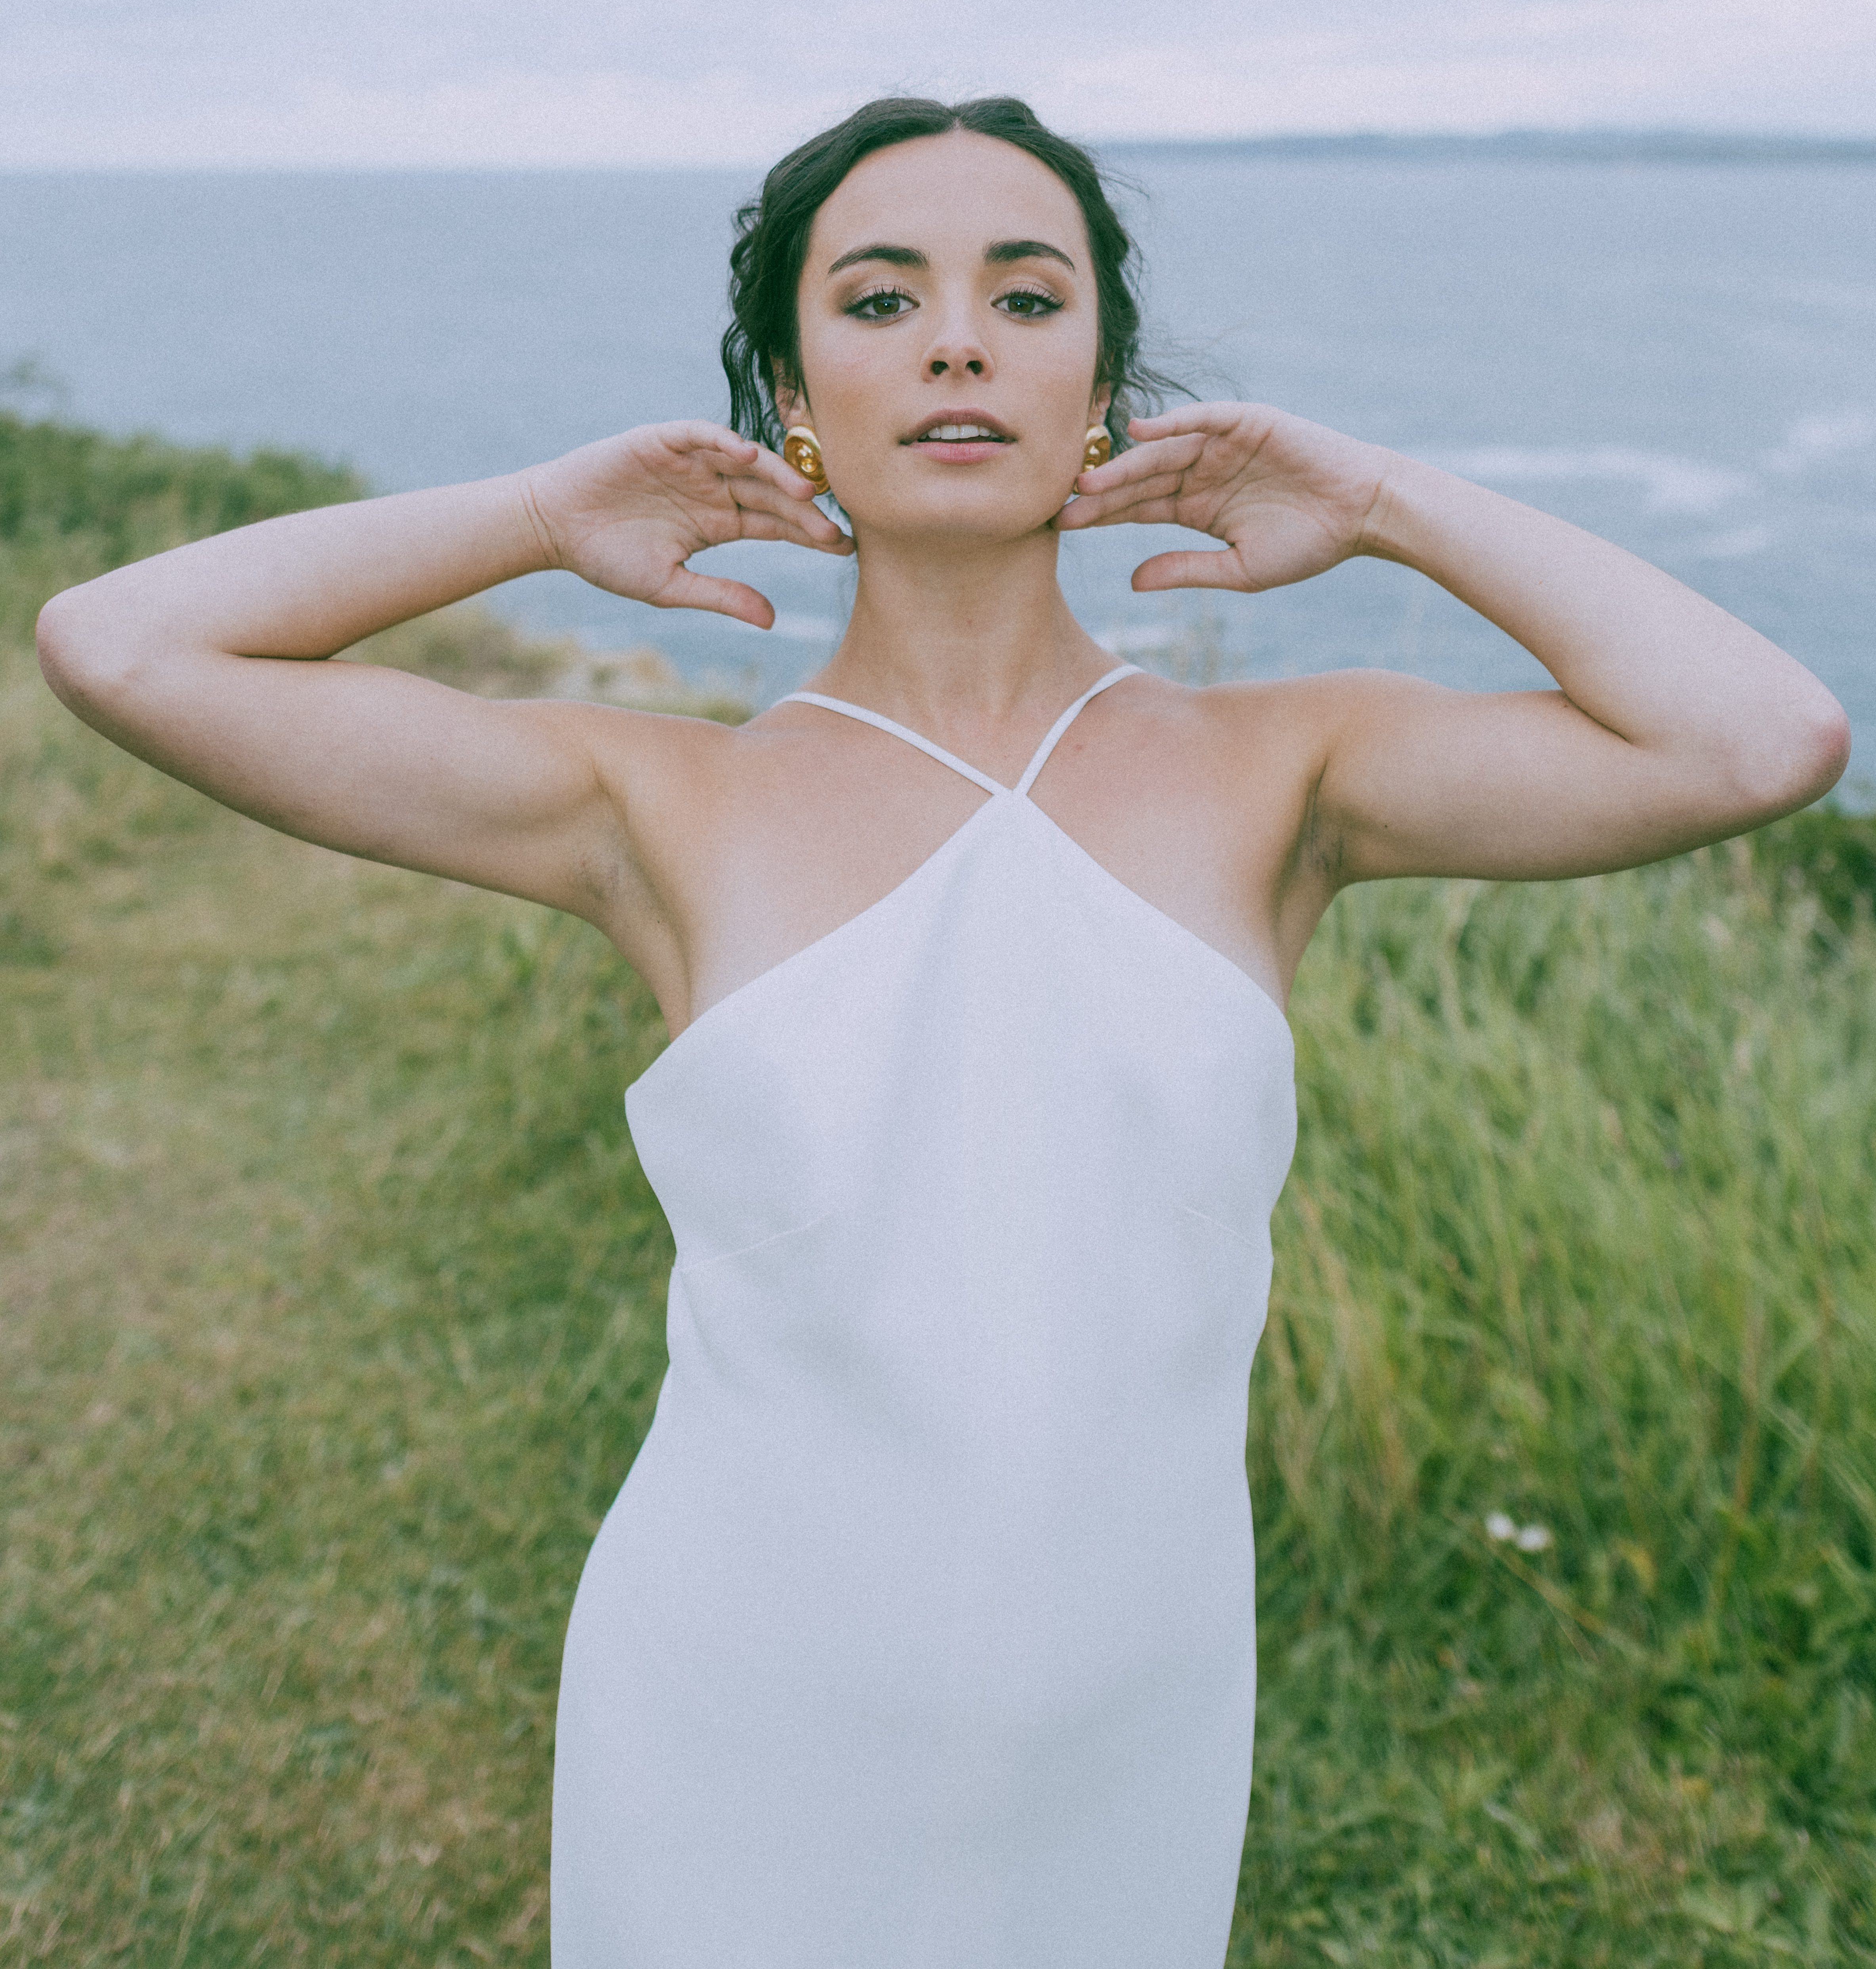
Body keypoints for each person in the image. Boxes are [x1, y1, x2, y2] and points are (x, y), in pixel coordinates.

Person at [36, 96, 1849, 1968]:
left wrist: (1377, 498)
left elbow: (1756, 741)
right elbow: (123, 647)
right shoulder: (658, 809)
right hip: (737, 1707)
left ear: (1103, 382)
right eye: (882, 296)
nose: (958, 340)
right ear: (789, 388)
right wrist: (534, 518)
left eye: (1027, 295)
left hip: (1132, 1715)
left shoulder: (1281, 773)